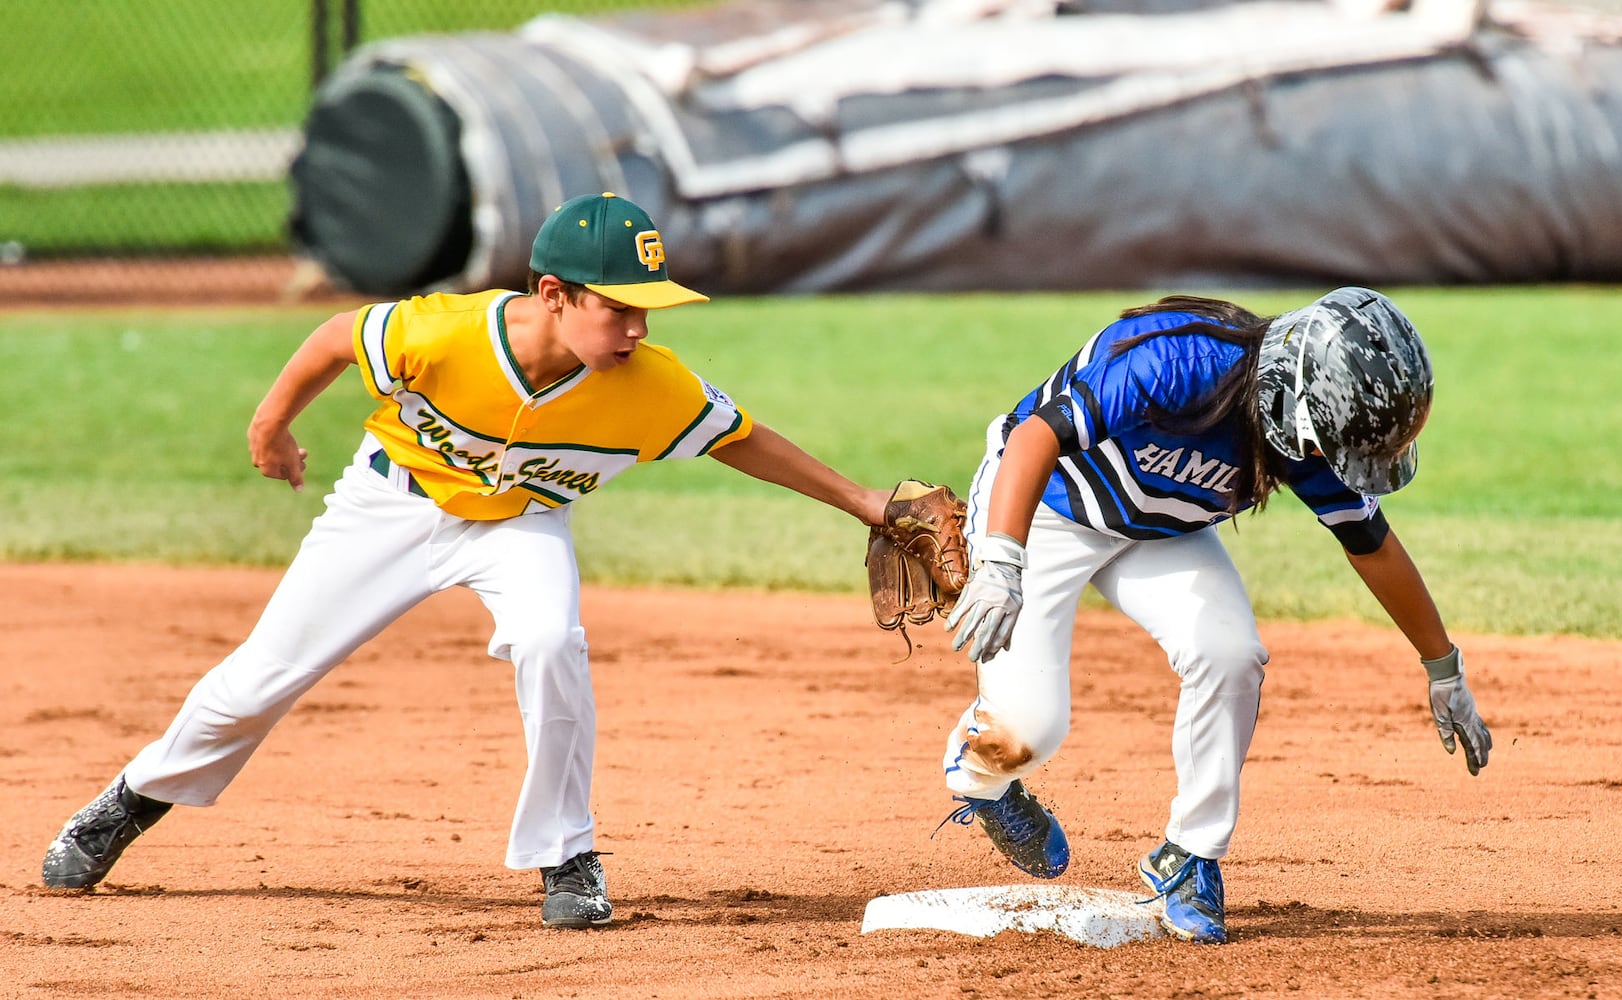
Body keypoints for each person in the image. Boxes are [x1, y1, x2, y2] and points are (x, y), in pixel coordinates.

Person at [41, 192, 893, 930]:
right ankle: (133, 800)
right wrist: (270, 426)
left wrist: (866, 503)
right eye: (619, 306)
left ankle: (569, 856)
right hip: (390, 505)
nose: (638, 327)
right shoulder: (448, 333)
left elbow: (740, 439)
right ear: (553, 295)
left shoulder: (653, 382)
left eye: (648, 310)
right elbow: (337, 337)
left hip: (522, 523)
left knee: (551, 640)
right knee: (263, 676)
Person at [935, 287, 1492, 944]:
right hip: (1051, 507)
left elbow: (1371, 545)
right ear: (1295, 400)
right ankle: (982, 782)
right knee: (1029, 731)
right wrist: (1001, 557)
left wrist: (1443, 665)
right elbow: (1034, 437)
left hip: (1161, 532)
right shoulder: (1177, 360)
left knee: (1230, 654)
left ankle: (1190, 857)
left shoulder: (1304, 433)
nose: (1332, 461)